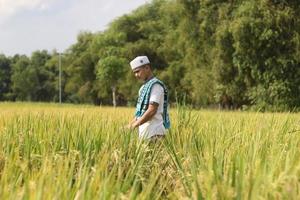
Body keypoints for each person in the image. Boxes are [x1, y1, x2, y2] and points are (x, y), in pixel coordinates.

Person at [127, 56, 170, 140]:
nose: (136, 75)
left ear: (147, 68)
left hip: (155, 134)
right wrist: (129, 125)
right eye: (134, 72)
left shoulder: (156, 85)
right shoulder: (143, 88)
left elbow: (151, 110)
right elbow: (140, 113)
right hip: (145, 135)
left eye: (138, 71)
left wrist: (134, 125)